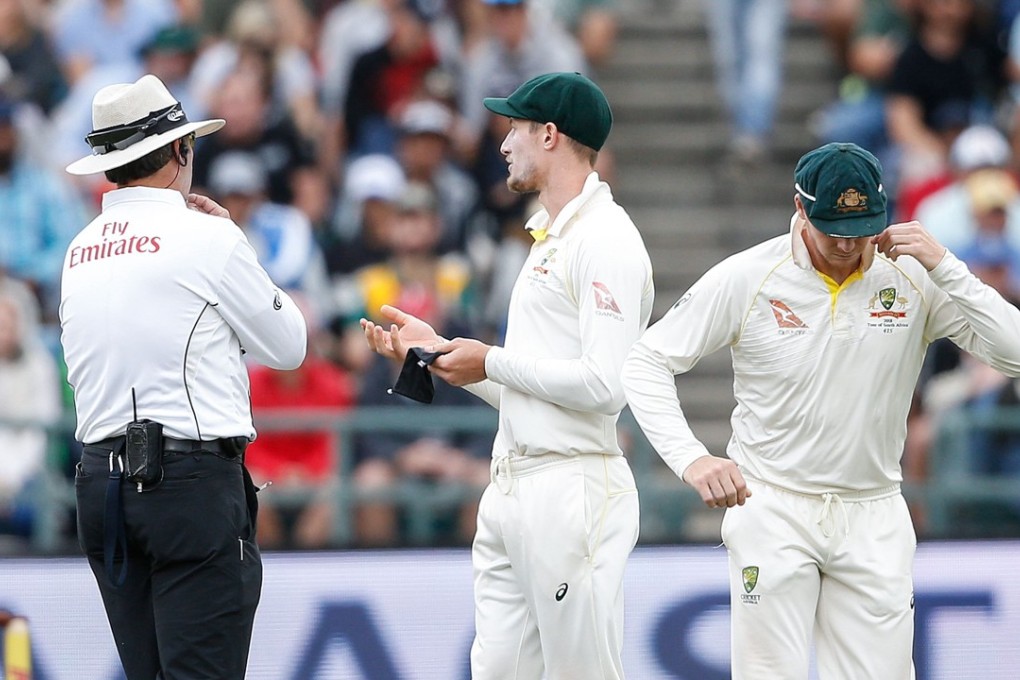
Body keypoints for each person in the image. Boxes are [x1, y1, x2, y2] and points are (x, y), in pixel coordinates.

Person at [621, 142, 1020, 678]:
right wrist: (691, 458)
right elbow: (646, 359)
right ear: (800, 207)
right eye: (833, 227)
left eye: (861, 229)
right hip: (772, 504)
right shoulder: (750, 274)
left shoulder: (914, 276)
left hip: (874, 509)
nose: (847, 244)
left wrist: (947, 267)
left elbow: (1014, 353)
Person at [362, 71, 654, 679]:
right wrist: (442, 359)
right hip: (513, 484)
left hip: (572, 489)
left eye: (515, 127)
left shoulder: (607, 240)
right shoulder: (551, 237)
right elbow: (529, 388)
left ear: (549, 135)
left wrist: (487, 359)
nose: (503, 143)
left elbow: (605, 387)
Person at [59, 74, 307, 679]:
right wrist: (235, 241)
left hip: (101, 485)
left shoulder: (78, 249)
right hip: (188, 483)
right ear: (180, 152)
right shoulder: (209, 235)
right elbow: (290, 346)